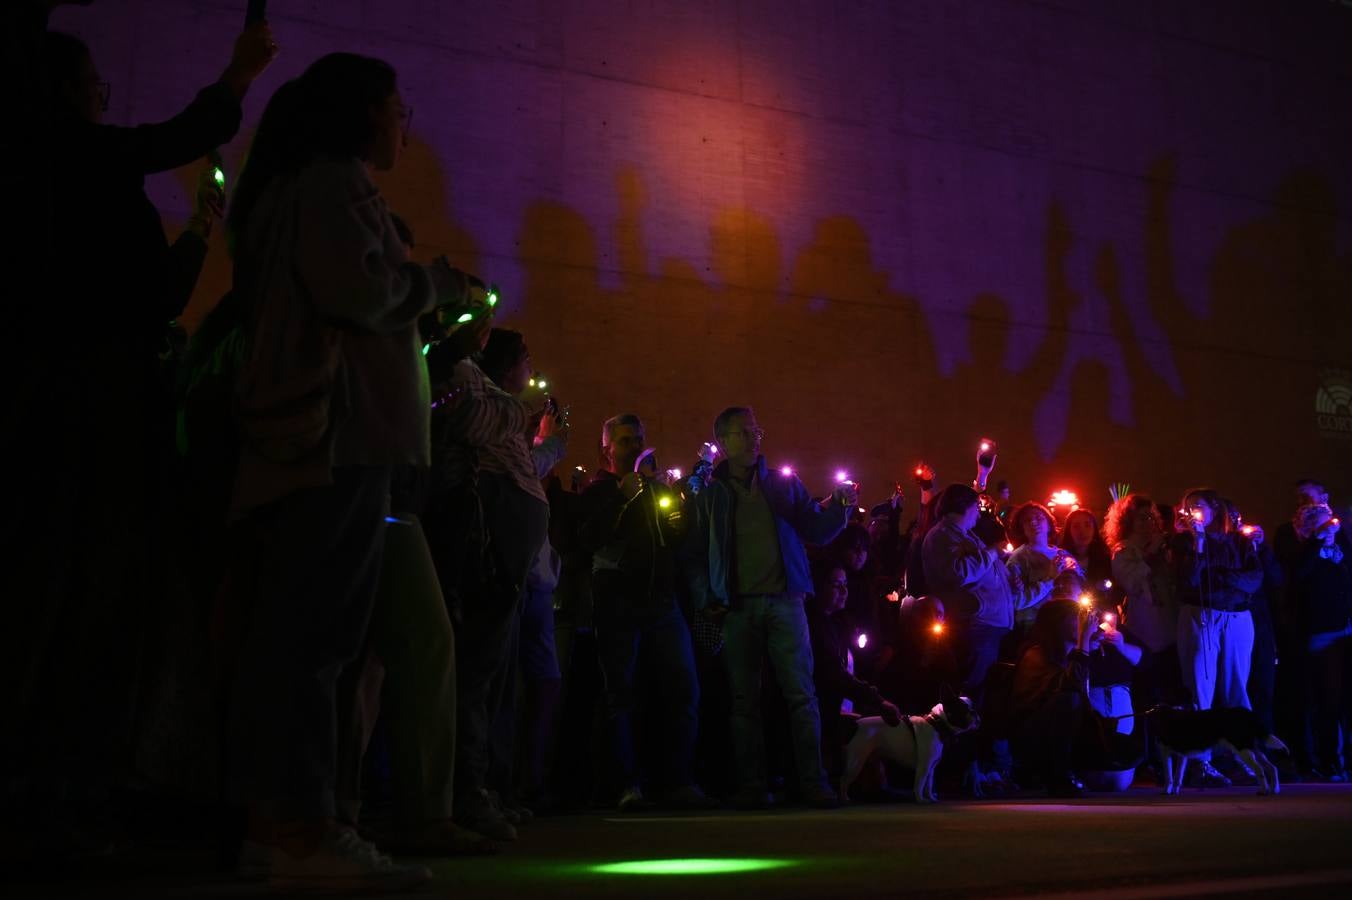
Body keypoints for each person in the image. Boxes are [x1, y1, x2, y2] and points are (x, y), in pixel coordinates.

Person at [225, 52, 460, 890]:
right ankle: (307, 831)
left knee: (301, 638)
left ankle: (278, 823)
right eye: (399, 107)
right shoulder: (333, 184)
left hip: (323, 442)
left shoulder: (302, 185)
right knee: (320, 641)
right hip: (339, 442)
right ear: (364, 111)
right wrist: (427, 282)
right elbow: (356, 293)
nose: (405, 123)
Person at [682, 407, 855, 808]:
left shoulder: (781, 485)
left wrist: (840, 507)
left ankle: (812, 783)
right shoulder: (709, 493)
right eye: (743, 432)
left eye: (756, 430)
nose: (754, 437)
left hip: (785, 601)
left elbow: (816, 529)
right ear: (722, 442)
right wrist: (706, 596)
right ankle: (753, 787)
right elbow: (692, 553)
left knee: (801, 695)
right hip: (736, 608)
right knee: (745, 700)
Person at [578, 414, 709, 811]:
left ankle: (677, 781)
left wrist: (678, 520)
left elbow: (670, 542)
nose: (635, 446)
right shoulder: (599, 491)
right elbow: (589, 539)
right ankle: (625, 785)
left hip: (661, 602)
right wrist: (622, 496)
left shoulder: (653, 489)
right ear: (607, 450)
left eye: (639, 439)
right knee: (621, 694)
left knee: (682, 688)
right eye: (624, 440)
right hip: (618, 602)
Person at [1169, 488, 1262, 788]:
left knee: (1237, 686)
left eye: (1198, 505)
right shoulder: (1183, 541)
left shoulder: (1239, 540)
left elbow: (1255, 578)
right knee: (1200, 686)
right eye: (1188, 506)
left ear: (1213, 509)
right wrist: (1197, 544)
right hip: (1200, 614)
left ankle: (1245, 756)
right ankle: (1201, 762)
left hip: (1236, 615)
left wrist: (1225, 577)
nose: (1193, 510)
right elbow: (1188, 580)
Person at [806, 564, 902, 788]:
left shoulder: (837, 624)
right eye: (836, 585)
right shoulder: (815, 626)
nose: (843, 591)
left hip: (834, 705)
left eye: (845, 585)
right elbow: (834, 674)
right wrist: (878, 701)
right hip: (820, 707)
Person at [1288, 504, 1351, 781]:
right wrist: (1317, 540)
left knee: (1343, 702)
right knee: (1326, 699)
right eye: (1322, 525)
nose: (1330, 529)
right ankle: (1324, 761)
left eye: (1331, 524)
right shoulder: (1303, 554)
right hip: (1320, 635)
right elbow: (1300, 574)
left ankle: (1342, 759)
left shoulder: (1342, 552)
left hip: (1346, 631)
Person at [1104, 494, 1181, 712]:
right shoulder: (1124, 550)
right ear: (1128, 522)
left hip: (1171, 626)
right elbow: (1132, 582)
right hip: (1144, 627)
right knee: (1149, 685)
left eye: (1151, 517)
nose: (1148, 522)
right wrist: (1149, 555)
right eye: (1141, 518)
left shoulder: (1165, 546)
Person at [1057, 508, 1114, 589]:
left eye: (1087, 525)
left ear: (1094, 529)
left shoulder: (1106, 559)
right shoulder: (1060, 559)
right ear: (1069, 531)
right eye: (1076, 526)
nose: (1082, 531)